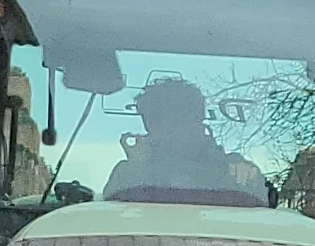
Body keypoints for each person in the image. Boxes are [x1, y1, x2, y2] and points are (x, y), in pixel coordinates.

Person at [105, 77, 269, 204]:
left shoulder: (236, 170)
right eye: (157, 124)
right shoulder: (128, 174)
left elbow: (269, 206)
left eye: (182, 121)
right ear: (150, 129)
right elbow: (110, 217)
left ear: (199, 120)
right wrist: (136, 167)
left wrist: (252, 180)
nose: (176, 134)